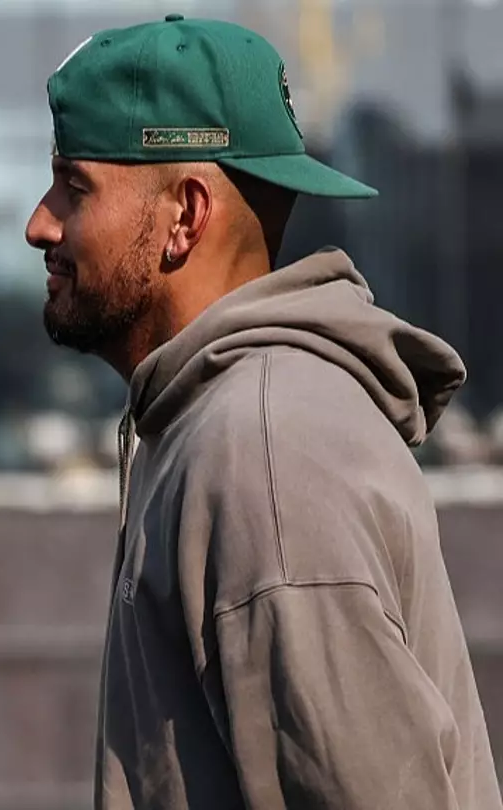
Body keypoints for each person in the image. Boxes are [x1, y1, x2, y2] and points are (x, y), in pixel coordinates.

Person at [27, 14, 503, 810]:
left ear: (185, 216)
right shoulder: (221, 419)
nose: (39, 223)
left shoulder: (262, 453)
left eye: (74, 187)